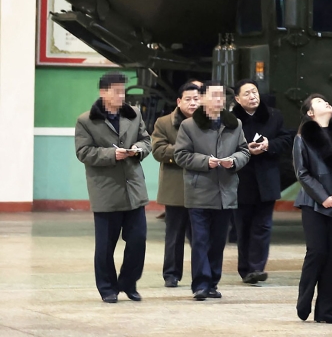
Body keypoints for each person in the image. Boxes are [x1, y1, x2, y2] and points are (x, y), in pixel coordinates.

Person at [74, 72, 152, 303]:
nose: (121, 95)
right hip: (106, 191)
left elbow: (146, 140)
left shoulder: (134, 114)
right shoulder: (86, 120)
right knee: (106, 245)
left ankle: (128, 283)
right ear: (103, 92)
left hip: (134, 189)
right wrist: (111, 154)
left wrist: (138, 149)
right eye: (116, 91)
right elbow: (83, 152)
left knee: (138, 239)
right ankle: (107, 288)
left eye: (123, 91)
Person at [173, 81, 251, 300]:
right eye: (214, 95)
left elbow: (244, 151)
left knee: (218, 241)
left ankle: (213, 282)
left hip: (225, 192)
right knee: (200, 240)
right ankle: (200, 284)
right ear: (203, 98)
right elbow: (181, 155)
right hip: (199, 192)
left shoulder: (234, 124)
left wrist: (233, 161)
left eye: (222, 96)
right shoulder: (189, 126)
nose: (219, 100)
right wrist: (206, 161)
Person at [293, 93, 332, 323]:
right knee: (317, 251)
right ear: (310, 112)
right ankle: (305, 299)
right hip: (313, 202)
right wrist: (323, 197)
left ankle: (327, 311)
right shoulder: (303, 138)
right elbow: (302, 173)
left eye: (326, 101)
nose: (326, 103)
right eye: (319, 102)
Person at [232, 79, 293, 284]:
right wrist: (244, 150)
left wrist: (268, 145)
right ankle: (245, 269)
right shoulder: (231, 120)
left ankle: (257, 268)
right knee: (244, 227)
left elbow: (286, 139)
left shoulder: (273, 116)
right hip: (242, 179)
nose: (253, 96)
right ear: (237, 99)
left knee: (263, 226)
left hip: (267, 178)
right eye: (247, 93)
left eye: (255, 92)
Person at [151, 81, 200, 287]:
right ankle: (171, 274)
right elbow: (159, 151)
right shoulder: (163, 123)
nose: (193, 103)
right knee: (174, 234)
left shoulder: (211, 122)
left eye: (197, 99)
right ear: (179, 101)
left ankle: (202, 276)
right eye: (188, 99)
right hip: (175, 187)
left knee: (201, 235)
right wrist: (185, 150)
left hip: (202, 186)